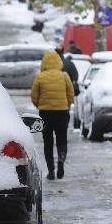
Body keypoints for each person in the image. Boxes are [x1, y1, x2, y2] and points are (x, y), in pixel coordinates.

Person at [31, 51, 74, 180]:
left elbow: (34, 96)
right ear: (58, 62)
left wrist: (40, 105)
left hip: (45, 114)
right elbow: (70, 93)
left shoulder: (40, 77)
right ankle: (61, 163)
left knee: (48, 142)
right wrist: (66, 105)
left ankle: (51, 171)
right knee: (62, 140)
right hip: (62, 113)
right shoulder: (64, 76)